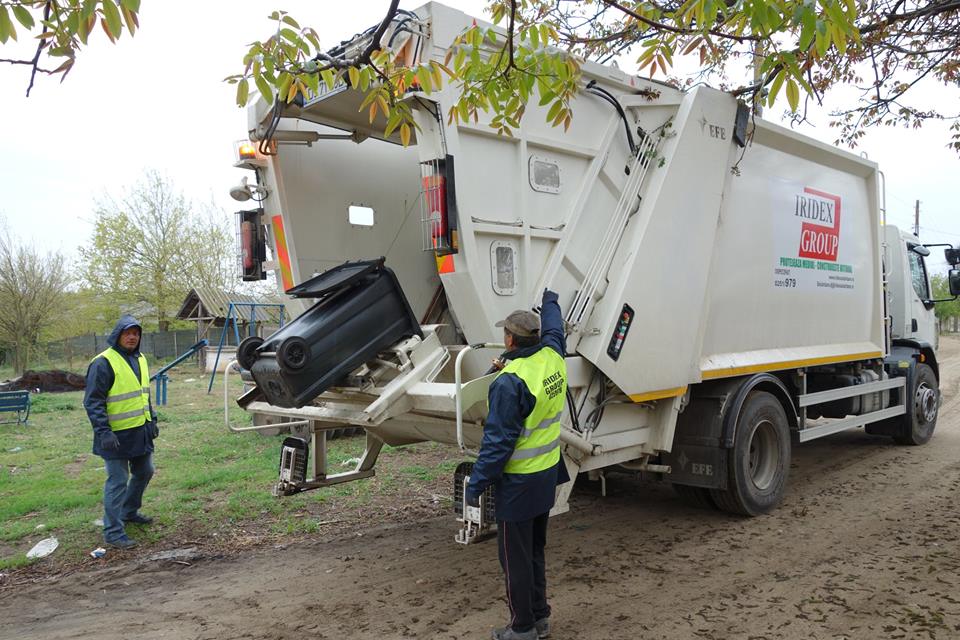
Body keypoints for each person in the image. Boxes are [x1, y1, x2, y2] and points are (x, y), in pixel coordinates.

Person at [466, 289, 568, 640]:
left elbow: (497, 444)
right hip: (547, 475)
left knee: (514, 560)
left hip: (519, 485)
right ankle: (540, 616)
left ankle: (522, 628)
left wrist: (476, 484)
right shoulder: (553, 357)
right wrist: (551, 302)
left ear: (509, 339)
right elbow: (556, 330)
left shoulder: (510, 382)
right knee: (534, 551)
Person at [83, 315, 158, 549]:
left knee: (145, 471)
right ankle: (113, 532)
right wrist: (103, 431)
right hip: (114, 436)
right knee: (117, 481)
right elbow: (93, 401)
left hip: (139, 431)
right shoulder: (103, 362)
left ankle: (129, 511)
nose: (132, 337)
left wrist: (152, 419)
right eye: (127, 333)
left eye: (136, 333)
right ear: (117, 335)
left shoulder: (141, 359)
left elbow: (142, 393)